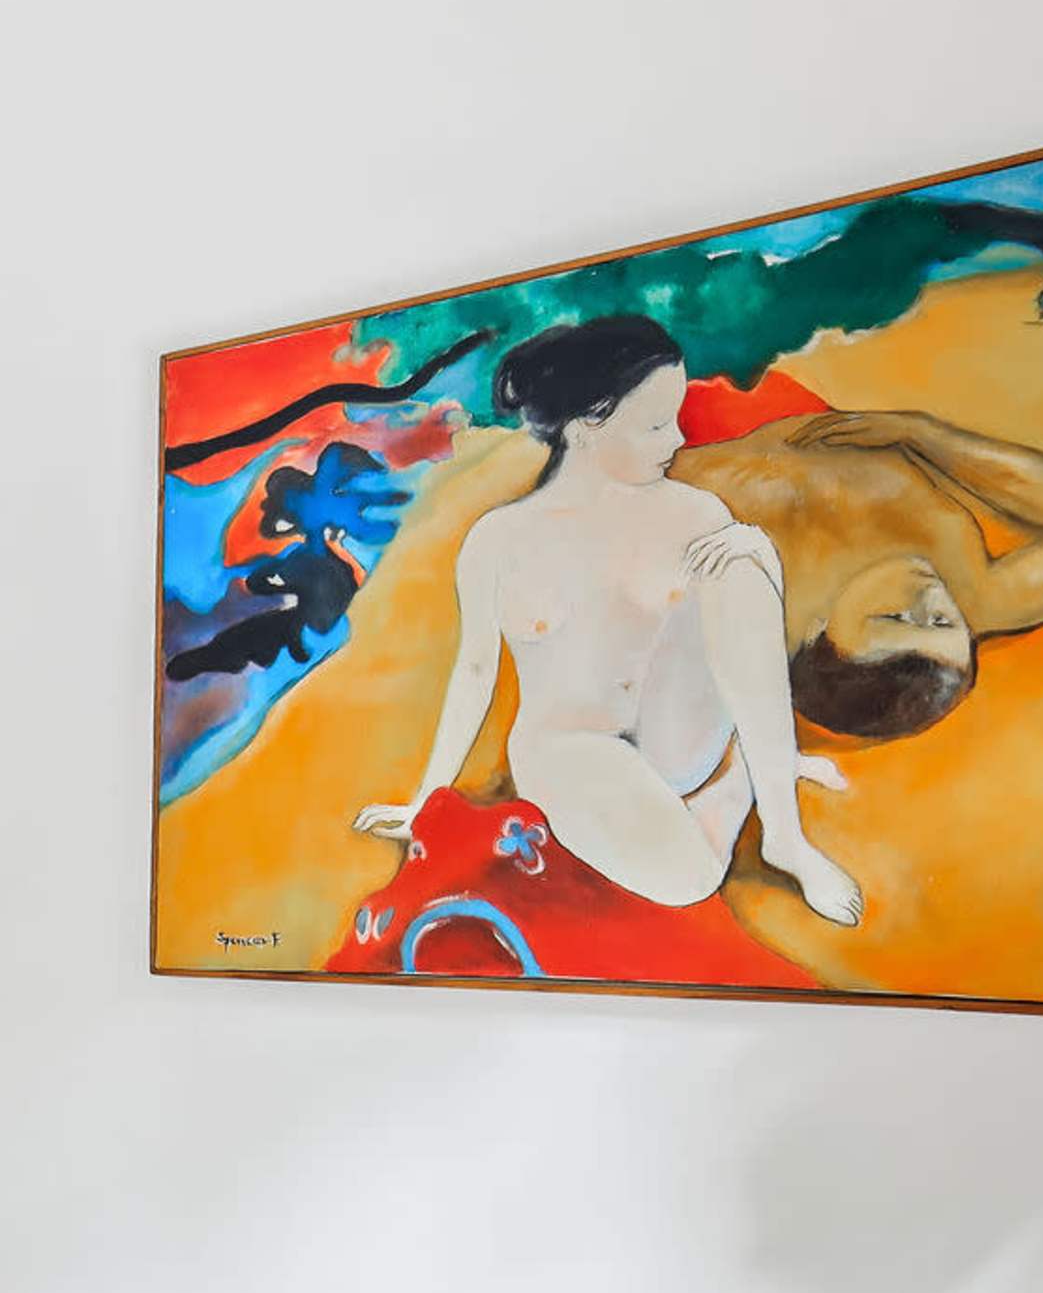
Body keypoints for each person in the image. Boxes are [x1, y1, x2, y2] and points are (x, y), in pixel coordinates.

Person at [351, 315, 861, 924]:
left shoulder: (695, 513)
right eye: (653, 424)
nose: (676, 439)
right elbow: (475, 673)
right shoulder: (500, 538)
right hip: (573, 751)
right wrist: (423, 804)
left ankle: (785, 836)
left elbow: (749, 641)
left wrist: (764, 564)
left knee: (741, 560)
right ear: (586, 425)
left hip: (680, 739)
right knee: (690, 878)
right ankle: (746, 778)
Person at [676, 409, 1043, 740]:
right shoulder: (980, 596)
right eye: (942, 625)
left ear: (818, 638)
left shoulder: (748, 610)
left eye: (893, 617)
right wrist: (928, 437)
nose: (931, 600)